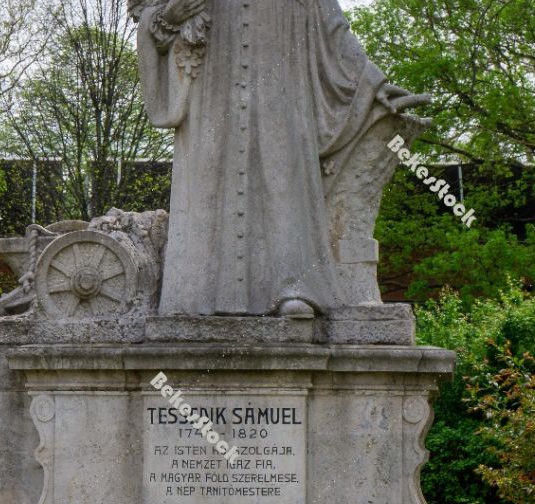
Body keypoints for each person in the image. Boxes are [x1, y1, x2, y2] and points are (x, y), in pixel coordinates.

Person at [135, 0, 419, 318]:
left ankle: (294, 287)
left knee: (284, 183)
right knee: (208, 185)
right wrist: (169, 17)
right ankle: (196, 294)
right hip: (213, 85)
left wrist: (370, 83)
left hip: (282, 83)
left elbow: (333, 26)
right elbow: (151, 17)